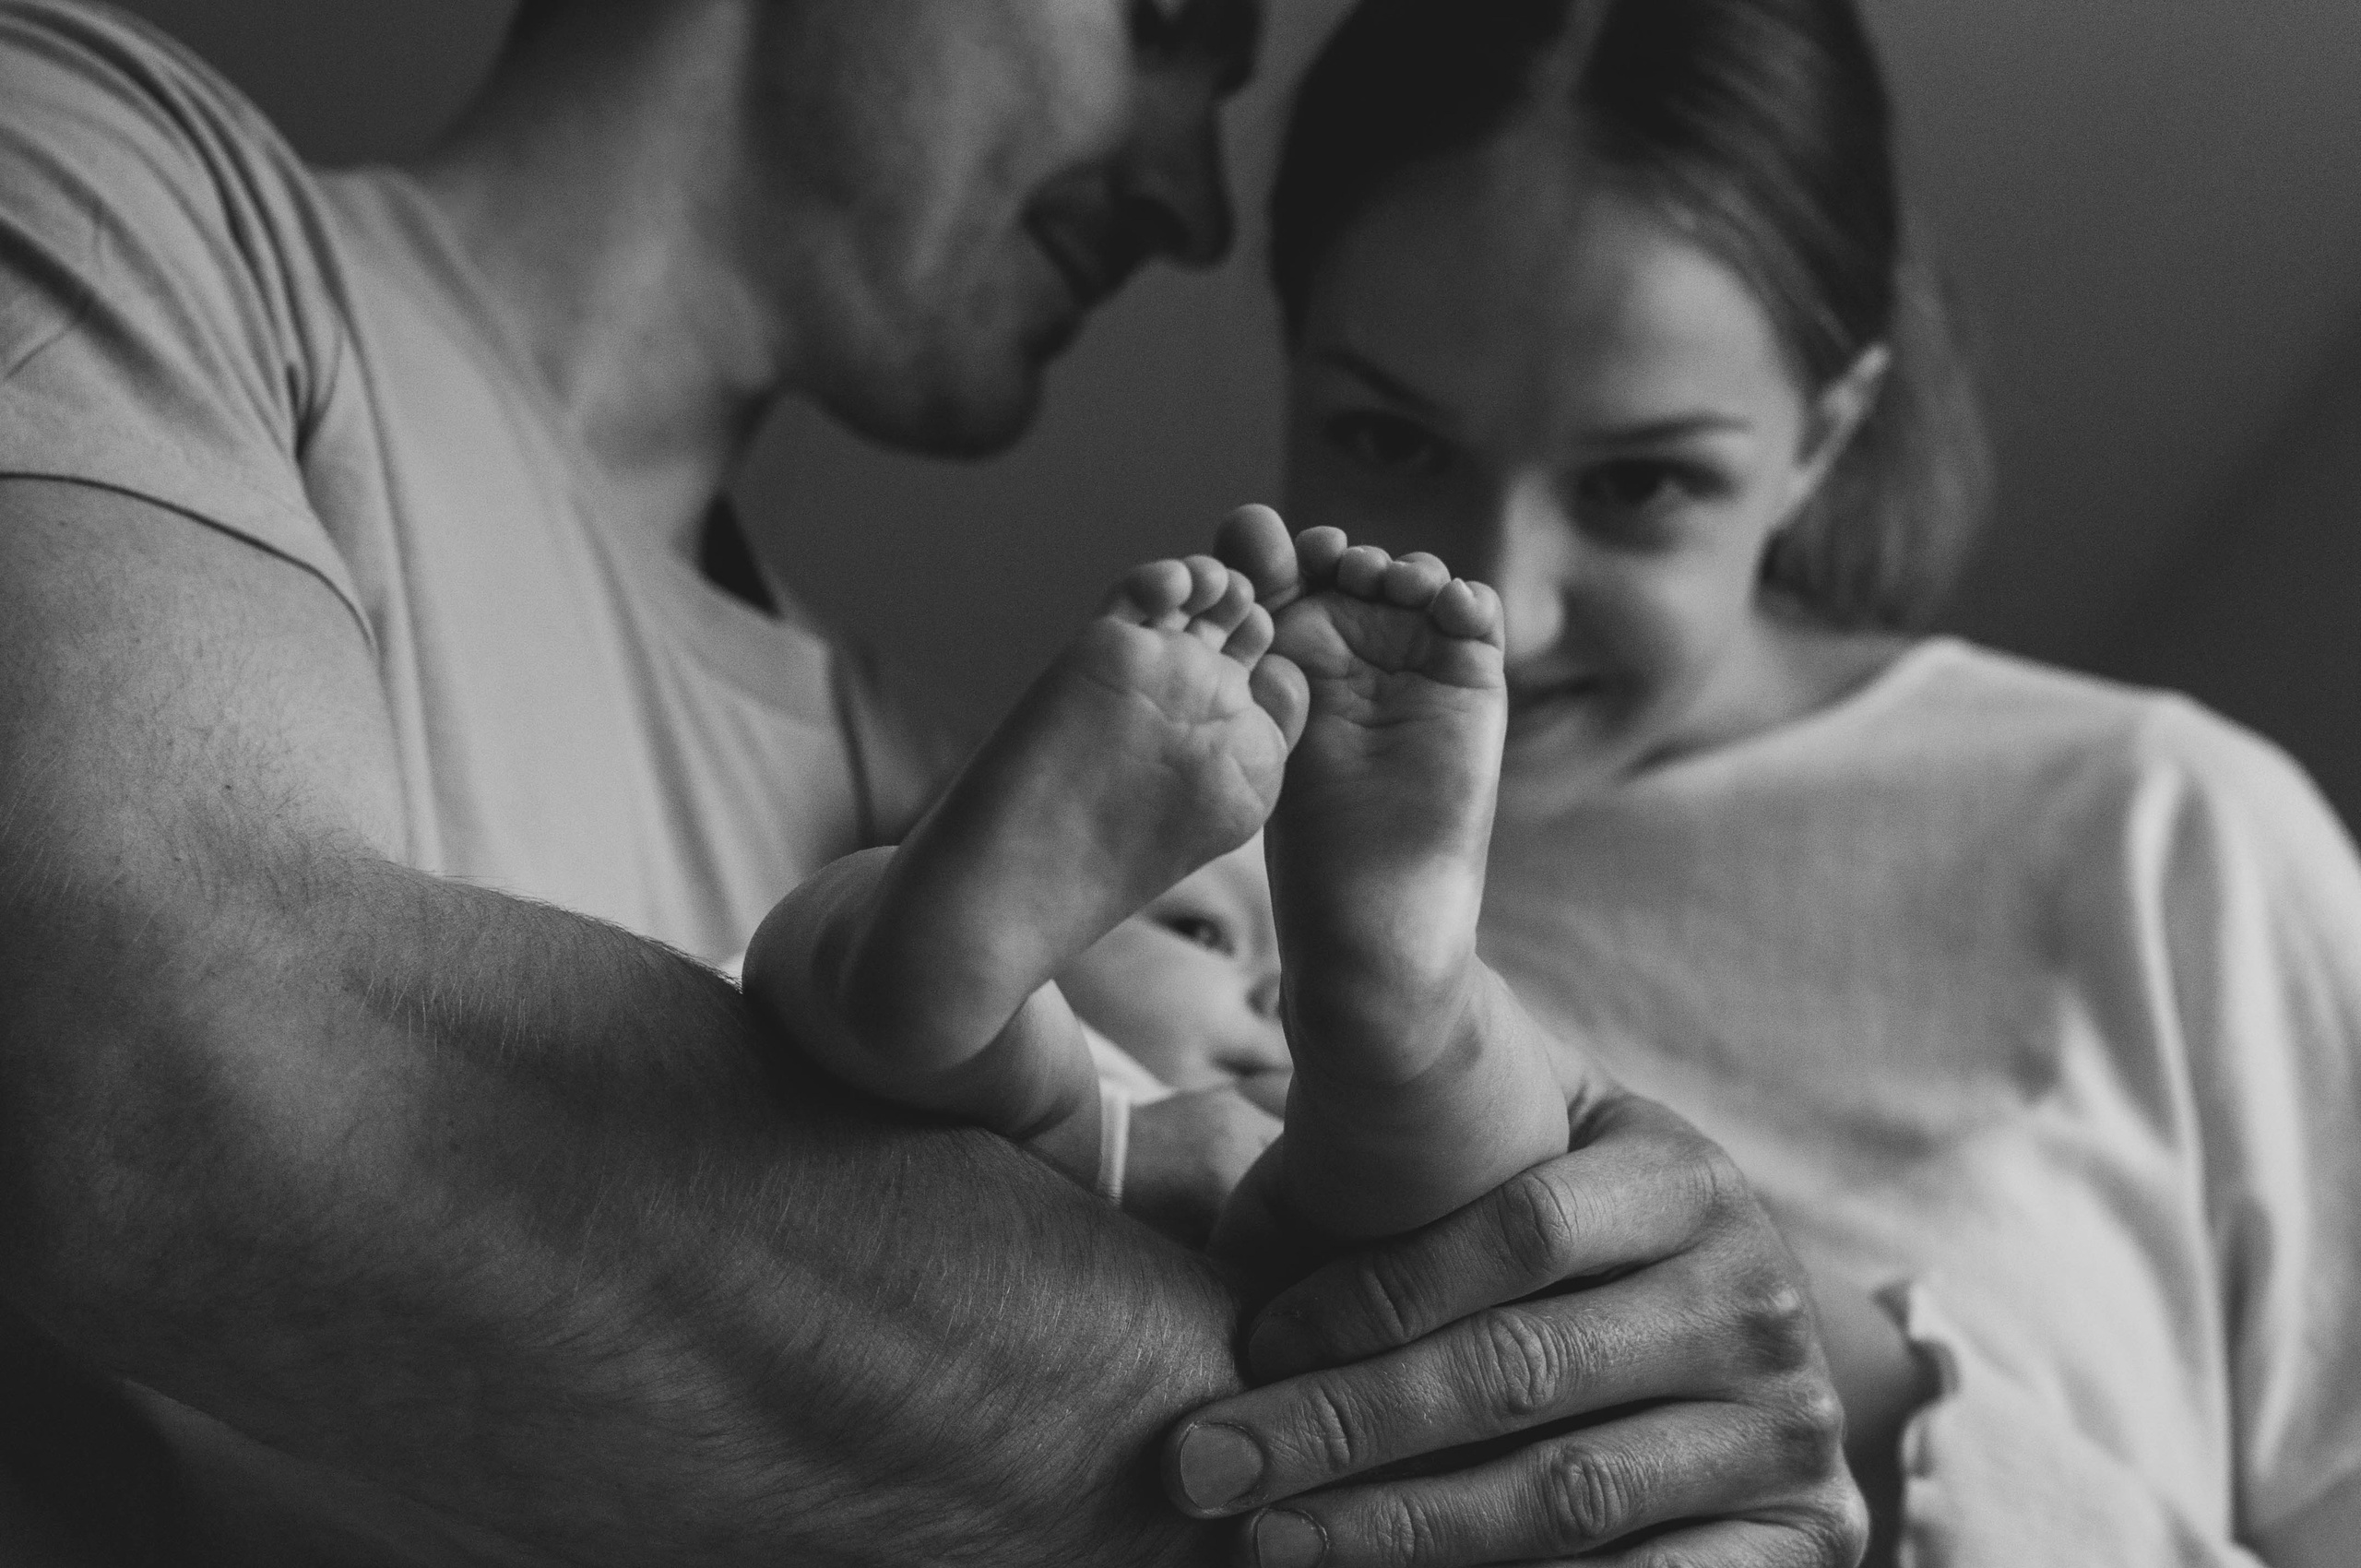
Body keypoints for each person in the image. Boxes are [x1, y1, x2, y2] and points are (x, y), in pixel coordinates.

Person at [0, 1, 1867, 1564]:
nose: (1200, 205)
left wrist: (1596, 1362)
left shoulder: (997, 768)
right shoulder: (101, 176)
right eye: (1164, 22)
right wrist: (1435, 1487)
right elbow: (142, 1061)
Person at [1259, 0, 2361, 1562]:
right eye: (1385, 436)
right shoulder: (1179, 869)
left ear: (1825, 438)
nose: (1501, 600)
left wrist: (1891, 1413)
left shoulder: (2162, 835)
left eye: (1641, 484)